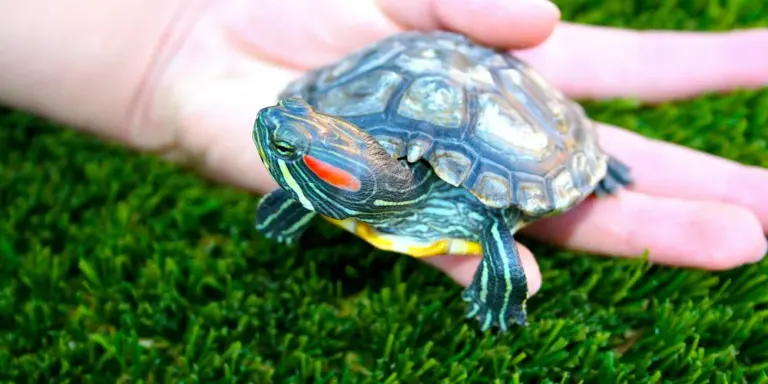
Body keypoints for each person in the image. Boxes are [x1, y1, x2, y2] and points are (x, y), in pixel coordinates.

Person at [1, 0, 766, 297]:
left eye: (295, 154)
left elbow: (492, 215)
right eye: (297, 150)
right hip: (389, 102)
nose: (275, 133)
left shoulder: (450, 201)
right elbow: (303, 140)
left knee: (495, 221)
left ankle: (593, 154)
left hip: (504, 130)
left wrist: (586, 161)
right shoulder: (347, 159)